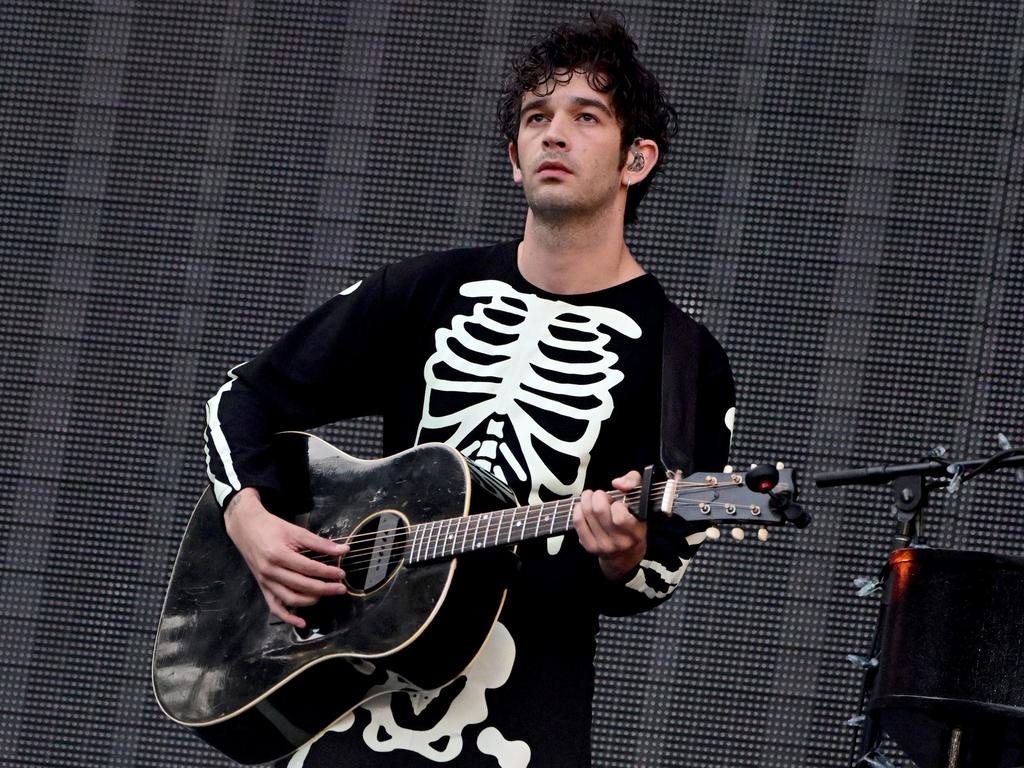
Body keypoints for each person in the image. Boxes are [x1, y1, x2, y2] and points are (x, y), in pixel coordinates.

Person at [204, 12, 735, 768]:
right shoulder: (425, 292)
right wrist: (250, 521)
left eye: (587, 117)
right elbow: (243, 398)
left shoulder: (687, 361)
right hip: (342, 697)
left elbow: (661, 570)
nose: (554, 134)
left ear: (636, 159)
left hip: (519, 724)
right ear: (513, 160)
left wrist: (624, 555)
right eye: (536, 118)